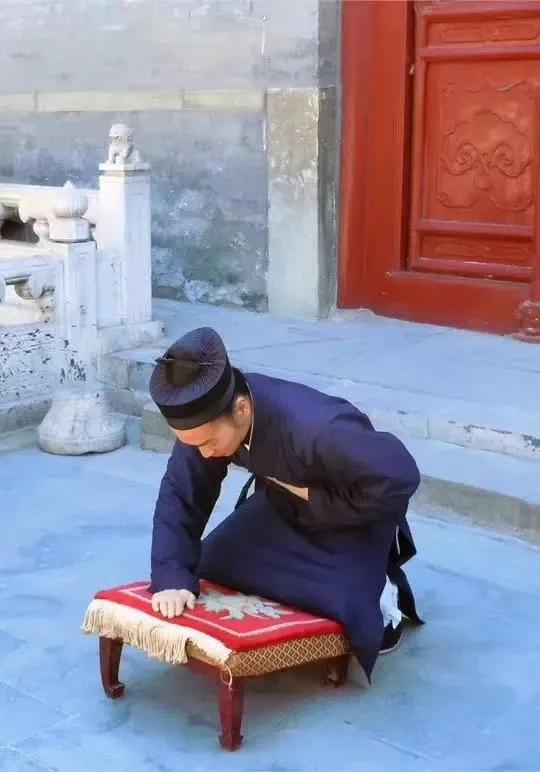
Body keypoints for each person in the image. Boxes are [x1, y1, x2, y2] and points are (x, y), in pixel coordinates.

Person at [148, 326, 423, 682]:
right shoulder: (207, 421)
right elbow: (182, 490)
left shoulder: (319, 426)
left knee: (348, 604)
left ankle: (384, 593)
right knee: (208, 562)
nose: (203, 453)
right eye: (193, 444)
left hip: (350, 517)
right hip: (281, 506)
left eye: (208, 443)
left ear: (242, 409)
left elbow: (400, 476)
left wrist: (317, 498)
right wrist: (171, 572)